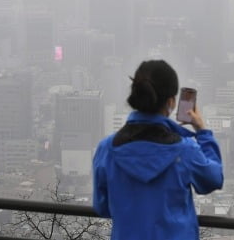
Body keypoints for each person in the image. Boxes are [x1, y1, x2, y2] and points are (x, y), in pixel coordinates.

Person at [92, 60, 224, 240]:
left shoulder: (106, 149)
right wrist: (202, 132)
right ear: (171, 102)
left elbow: (102, 207)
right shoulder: (184, 149)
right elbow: (213, 179)